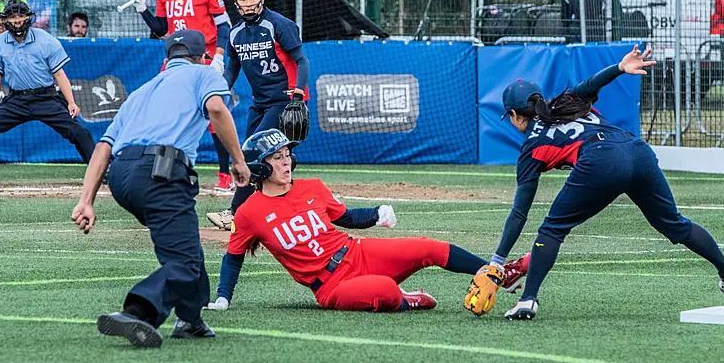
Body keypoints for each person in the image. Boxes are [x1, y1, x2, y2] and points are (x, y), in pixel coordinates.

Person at [490, 45, 724, 321]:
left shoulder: (531, 147)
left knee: (552, 229)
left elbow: (520, 212)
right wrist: (620, 68)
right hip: (637, 150)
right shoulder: (566, 100)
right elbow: (591, 83)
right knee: (673, 223)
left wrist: (497, 260)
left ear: (516, 116)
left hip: (602, 161)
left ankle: (527, 301)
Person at [206, 128, 522, 313]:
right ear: (260, 167)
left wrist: (375, 214)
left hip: (358, 251)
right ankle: (407, 300)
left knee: (430, 248)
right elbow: (233, 258)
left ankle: (497, 273)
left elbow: (346, 218)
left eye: (287, 153)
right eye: (277, 157)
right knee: (384, 291)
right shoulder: (250, 211)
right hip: (331, 286)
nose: (286, 160)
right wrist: (222, 298)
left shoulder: (311, 186)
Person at [71, 29, 250, 348]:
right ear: (200, 57)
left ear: (167, 59)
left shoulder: (142, 91)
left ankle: (191, 319)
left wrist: (86, 201)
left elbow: (102, 148)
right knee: (182, 264)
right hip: (161, 173)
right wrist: (237, 161)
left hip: (121, 177)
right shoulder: (204, 74)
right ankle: (139, 311)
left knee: (186, 242)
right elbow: (218, 110)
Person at [206, 0, 310, 231]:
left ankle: (235, 213)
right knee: (262, 157)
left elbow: (302, 61)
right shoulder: (236, 33)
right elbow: (231, 70)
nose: (249, 4)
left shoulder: (278, 24)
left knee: (253, 155)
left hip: (284, 101)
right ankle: (285, 208)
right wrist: (215, 92)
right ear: (236, 3)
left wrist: (297, 96)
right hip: (260, 102)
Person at [131, 0, 234, 193]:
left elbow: (224, 25)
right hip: (175, 59)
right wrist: (142, 9)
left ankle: (224, 174)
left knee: (213, 113)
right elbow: (161, 30)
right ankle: (162, 168)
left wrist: (219, 56)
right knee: (163, 110)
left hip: (204, 57)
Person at [0, 0, 95, 181]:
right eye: (12, 17)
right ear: (6, 20)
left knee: (80, 132)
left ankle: (100, 172)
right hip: (16, 100)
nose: (17, 20)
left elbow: (59, 75)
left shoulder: (45, 39)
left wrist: (71, 102)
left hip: (46, 98)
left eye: (21, 16)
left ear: (28, 17)